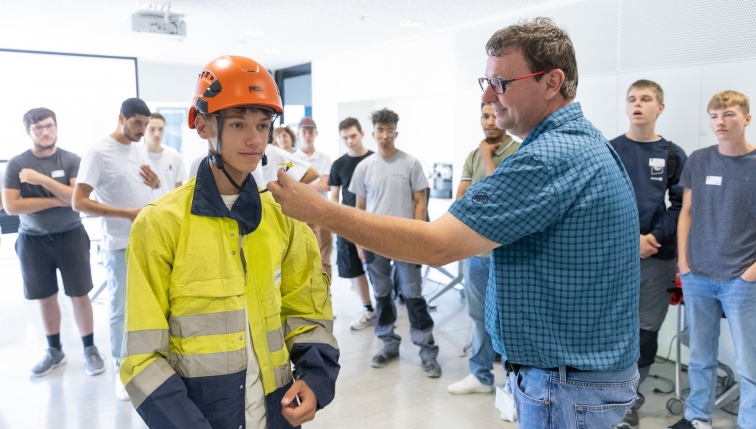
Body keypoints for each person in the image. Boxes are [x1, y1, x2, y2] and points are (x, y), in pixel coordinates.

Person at [268, 18, 641, 428]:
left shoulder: (548, 158)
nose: (486, 95)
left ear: (552, 82)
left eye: (501, 83)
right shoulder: (580, 143)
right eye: (486, 80)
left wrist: (321, 211)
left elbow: (436, 244)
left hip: (566, 384)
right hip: (574, 376)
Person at [120, 55, 339, 429]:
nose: (255, 139)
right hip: (200, 417)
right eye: (238, 124)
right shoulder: (160, 224)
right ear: (203, 125)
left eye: (263, 124)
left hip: (278, 414)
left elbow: (307, 311)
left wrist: (317, 380)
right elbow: (142, 358)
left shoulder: (285, 219)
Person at [668, 90, 756, 429]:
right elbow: (686, 212)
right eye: (715, 116)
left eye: (729, 115)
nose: (721, 122)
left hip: (741, 278)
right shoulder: (700, 159)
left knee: (749, 360)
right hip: (698, 275)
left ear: (746, 119)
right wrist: (684, 263)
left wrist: (751, 272)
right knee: (701, 354)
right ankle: (697, 417)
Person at [2, 107, 105, 377]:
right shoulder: (16, 164)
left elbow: (78, 200)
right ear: (29, 131)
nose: (45, 132)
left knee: (80, 295)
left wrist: (38, 180)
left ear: (56, 127)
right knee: (46, 299)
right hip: (33, 241)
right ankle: (55, 351)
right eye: (38, 128)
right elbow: (11, 207)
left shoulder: (72, 159)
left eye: (49, 126)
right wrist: (62, 199)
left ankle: (90, 349)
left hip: (71, 236)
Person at [72, 98, 161, 400]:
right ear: (121, 118)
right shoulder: (98, 151)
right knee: (121, 309)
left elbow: (139, 186)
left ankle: (145, 362)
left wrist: (156, 182)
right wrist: (125, 214)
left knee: (150, 306)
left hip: (148, 239)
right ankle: (120, 372)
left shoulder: (137, 147)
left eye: (146, 125)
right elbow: (79, 201)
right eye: (137, 123)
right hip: (119, 244)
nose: (142, 130)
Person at [610, 80, 687, 429]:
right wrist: (630, 240)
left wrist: (652, 237)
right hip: (615, 255)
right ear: (626, 107)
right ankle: (604, 394)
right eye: (632, 99)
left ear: (660, 108)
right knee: (609, 325)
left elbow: (681, 206)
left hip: (657, 256)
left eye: (646, 99)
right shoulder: (608, 150)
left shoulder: (673, 154)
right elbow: (602, 205)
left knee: (644, 330)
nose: (638, 104)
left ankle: (630, 403)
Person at [346, 108, 441, 378]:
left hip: (407, 242)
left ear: (395, 132)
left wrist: (420, 237)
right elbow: (359, 208)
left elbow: (420, 202)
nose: (384, 135)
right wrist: (360, 243)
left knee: (413, 295)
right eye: (380, 130)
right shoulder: (364, 167)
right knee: (382, 296)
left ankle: (427, 350)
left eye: (389, 130)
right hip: (375, 243)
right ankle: (388, 344)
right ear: (373, 133)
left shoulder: (411, 164)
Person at [447, 103, 520, 395]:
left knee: (510, 321)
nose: (489, 122)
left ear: (505, 115)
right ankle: (480, 376)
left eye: (494, 115)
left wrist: (488, 158)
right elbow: (461, 198)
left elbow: (499, 196)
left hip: (507, 255)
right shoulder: (471, 155)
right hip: (475, 255)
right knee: (478, 318)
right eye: (484, 116)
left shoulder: (518, 152)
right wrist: (485, 194)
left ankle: (516, 389)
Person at [328, 117, 375, 330]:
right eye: (345, 138)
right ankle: (368, 308)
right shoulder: (338, 165)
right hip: (347, 223)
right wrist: (337, 223)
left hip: (374, 222)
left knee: (377, 265)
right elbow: (334, 197)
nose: (350, 141)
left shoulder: (375, 160)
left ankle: (385, 304)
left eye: (353, 136)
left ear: (362, 134)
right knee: (354, 268)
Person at [293, 118, 334, 280]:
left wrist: (300, 185)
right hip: (299, 214)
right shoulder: (292, 158)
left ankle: (327, 295)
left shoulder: (325, 158)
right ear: (298, 134)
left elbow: (326, 186)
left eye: (311, 131)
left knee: (324, 258)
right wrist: (315, 183)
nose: (308, 135)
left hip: (323, 212)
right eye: (304, 131)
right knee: (302, 258)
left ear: (316, 133)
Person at [144, 112, 188, 198]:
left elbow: (179, 191)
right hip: (143, 209)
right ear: (144, 129)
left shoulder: (174, 157)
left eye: (160, 129)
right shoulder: (138, 156)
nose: (157, 134)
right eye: (152, 129)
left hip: (168, 209)